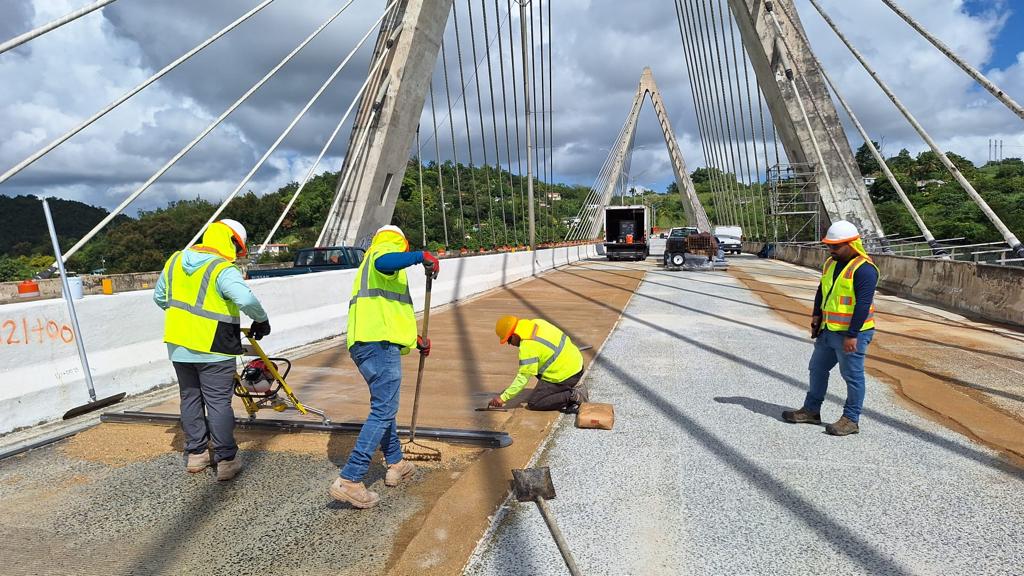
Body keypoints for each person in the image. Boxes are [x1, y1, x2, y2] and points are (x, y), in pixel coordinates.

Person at [329, 225, 439, 509]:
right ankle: (350, 479)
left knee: (384, 405)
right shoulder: (383, 252)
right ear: (401, 242)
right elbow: (385, 261)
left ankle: (396, 463)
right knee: (384, 409)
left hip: (367, 344)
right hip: (380, 346)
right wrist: (420, 256)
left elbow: (385, 313)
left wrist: (414, 340)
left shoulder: (370, 265)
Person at [153, 219, 271, 480]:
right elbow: (246, 299)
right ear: (231, 242)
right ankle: (226, 460)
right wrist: (261, 320)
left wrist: (186, 320)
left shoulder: (175, 261)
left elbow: (160, 298)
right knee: (218, 403)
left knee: (190, 398)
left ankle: (196, 455)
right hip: (214, 347)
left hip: (179, 344)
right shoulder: (221, 268)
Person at [783, 220, 879, 436]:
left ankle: (851, 419)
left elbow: (863, 305)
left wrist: (852, 335)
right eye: (829, 246)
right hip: (828, 331)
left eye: (836, 246)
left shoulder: (864, 270)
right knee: (817, 369)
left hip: (852, 334)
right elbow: (822, 290)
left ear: (852, 244)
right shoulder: (830, 263)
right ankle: (811, 410)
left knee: (852, 376)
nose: (831, 250)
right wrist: (816, 315)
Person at [488, 316, 586, 413]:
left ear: (514, 335)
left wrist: (503, 398)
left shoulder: (527, 347)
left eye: (509, 340)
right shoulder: (537, 322)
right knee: (534, 367)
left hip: (566, 374)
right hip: (577, 363)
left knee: (535, 402)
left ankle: (574, 395)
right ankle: (568, 387)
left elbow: (523, 378)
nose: (510, 344)